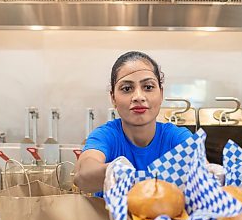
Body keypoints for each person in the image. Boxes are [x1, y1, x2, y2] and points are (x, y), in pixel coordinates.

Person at [74, 51, 192, 193]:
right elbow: (83, 174)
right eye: (127, 89)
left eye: (148, 87)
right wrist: (113, 172)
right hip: (107, 215)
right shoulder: (107, 136)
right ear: (113, 98)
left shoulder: (176, 137)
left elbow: (201, 168)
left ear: (161, 94)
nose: (138, 97)